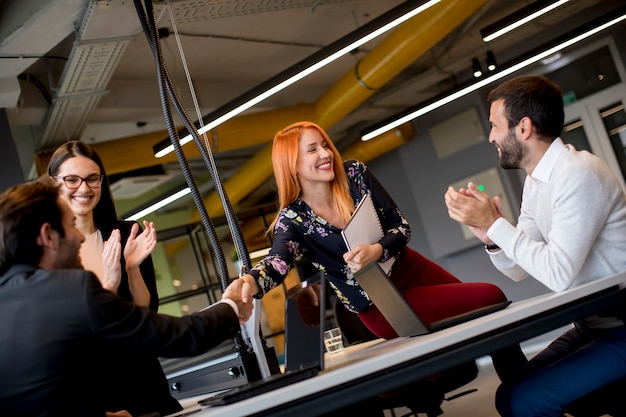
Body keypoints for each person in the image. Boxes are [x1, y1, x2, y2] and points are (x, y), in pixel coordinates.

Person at [224, 120, 523, 380]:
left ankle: (518, 386)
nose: (326, 154)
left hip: (409, 267)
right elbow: (277, 262)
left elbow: (401, 227)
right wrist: (248, 282)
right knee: (491, 296)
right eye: (312, 150)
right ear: (292, 163)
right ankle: (520, 388)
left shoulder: (354, 174)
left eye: (325, 145)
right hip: (381, 303)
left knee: (488, 315)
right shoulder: (294, 219)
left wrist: (376, 250)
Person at [444, 75, 626, 417]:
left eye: (495, 125)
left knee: (525, 401)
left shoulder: (578, 172)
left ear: (523, 127)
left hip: (620, 326)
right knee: (510, 393)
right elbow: (519, 269)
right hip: (595, 325)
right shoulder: (536, 182)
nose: (491, 137)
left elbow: (558, 273)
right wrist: (492, 239)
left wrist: (496, 224)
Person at [0, 178, 252, 417]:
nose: (79, 237)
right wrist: (231, 305)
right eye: (70, 225)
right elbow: (180, 336)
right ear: (48, 236)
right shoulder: (72, 290)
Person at [47, 141, 178, 415]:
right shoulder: (49, 252)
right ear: (54, 184)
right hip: (95, 389)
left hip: (142, 377)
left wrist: (131, 269)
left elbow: (145, 311)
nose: (84, 188)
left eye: (92, 179)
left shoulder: (126, 233)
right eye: (72, 179)